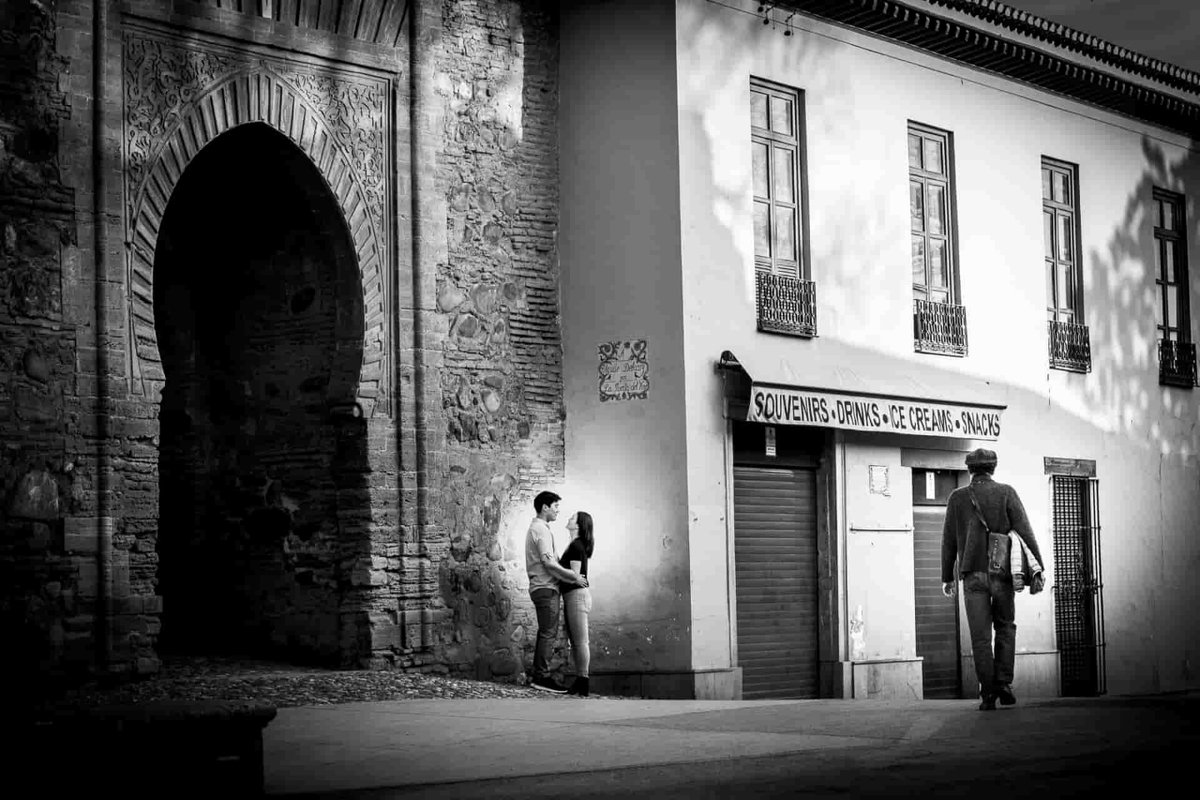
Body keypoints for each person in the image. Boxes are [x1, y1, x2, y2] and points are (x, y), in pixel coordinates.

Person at [941, 448, 1045, 711]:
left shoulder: (957, 498)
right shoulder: (1006, 492)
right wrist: (1038, 567)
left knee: (980, 637)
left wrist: (947, 577)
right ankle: (1004, 684)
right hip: (1002, 574)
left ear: (969, 470)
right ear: (993, 469)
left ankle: (987, 694)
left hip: (972, 575)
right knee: (1006, 627)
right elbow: (1025, 530)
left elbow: (949, 539)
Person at [525, 490, 587, 693]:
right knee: (548, 634)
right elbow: (548, 563)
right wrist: (573, 576)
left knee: (547, 633)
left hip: (543, 587)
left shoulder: (539, 528)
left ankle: (539, 675)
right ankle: (541, 677)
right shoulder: (541, 529)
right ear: (545, 507)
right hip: (545, 588)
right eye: (556, 507)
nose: (558, 511)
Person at [559, 511, 595, 697]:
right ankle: (581, 681)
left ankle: (583, 681)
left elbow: (575, 576)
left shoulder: (576, 546)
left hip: (576, 596)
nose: (568, 518)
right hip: (574, 595)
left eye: (572, 518)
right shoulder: (575, 545)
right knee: (577, 642)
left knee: (581, 642)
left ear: (579, 525)